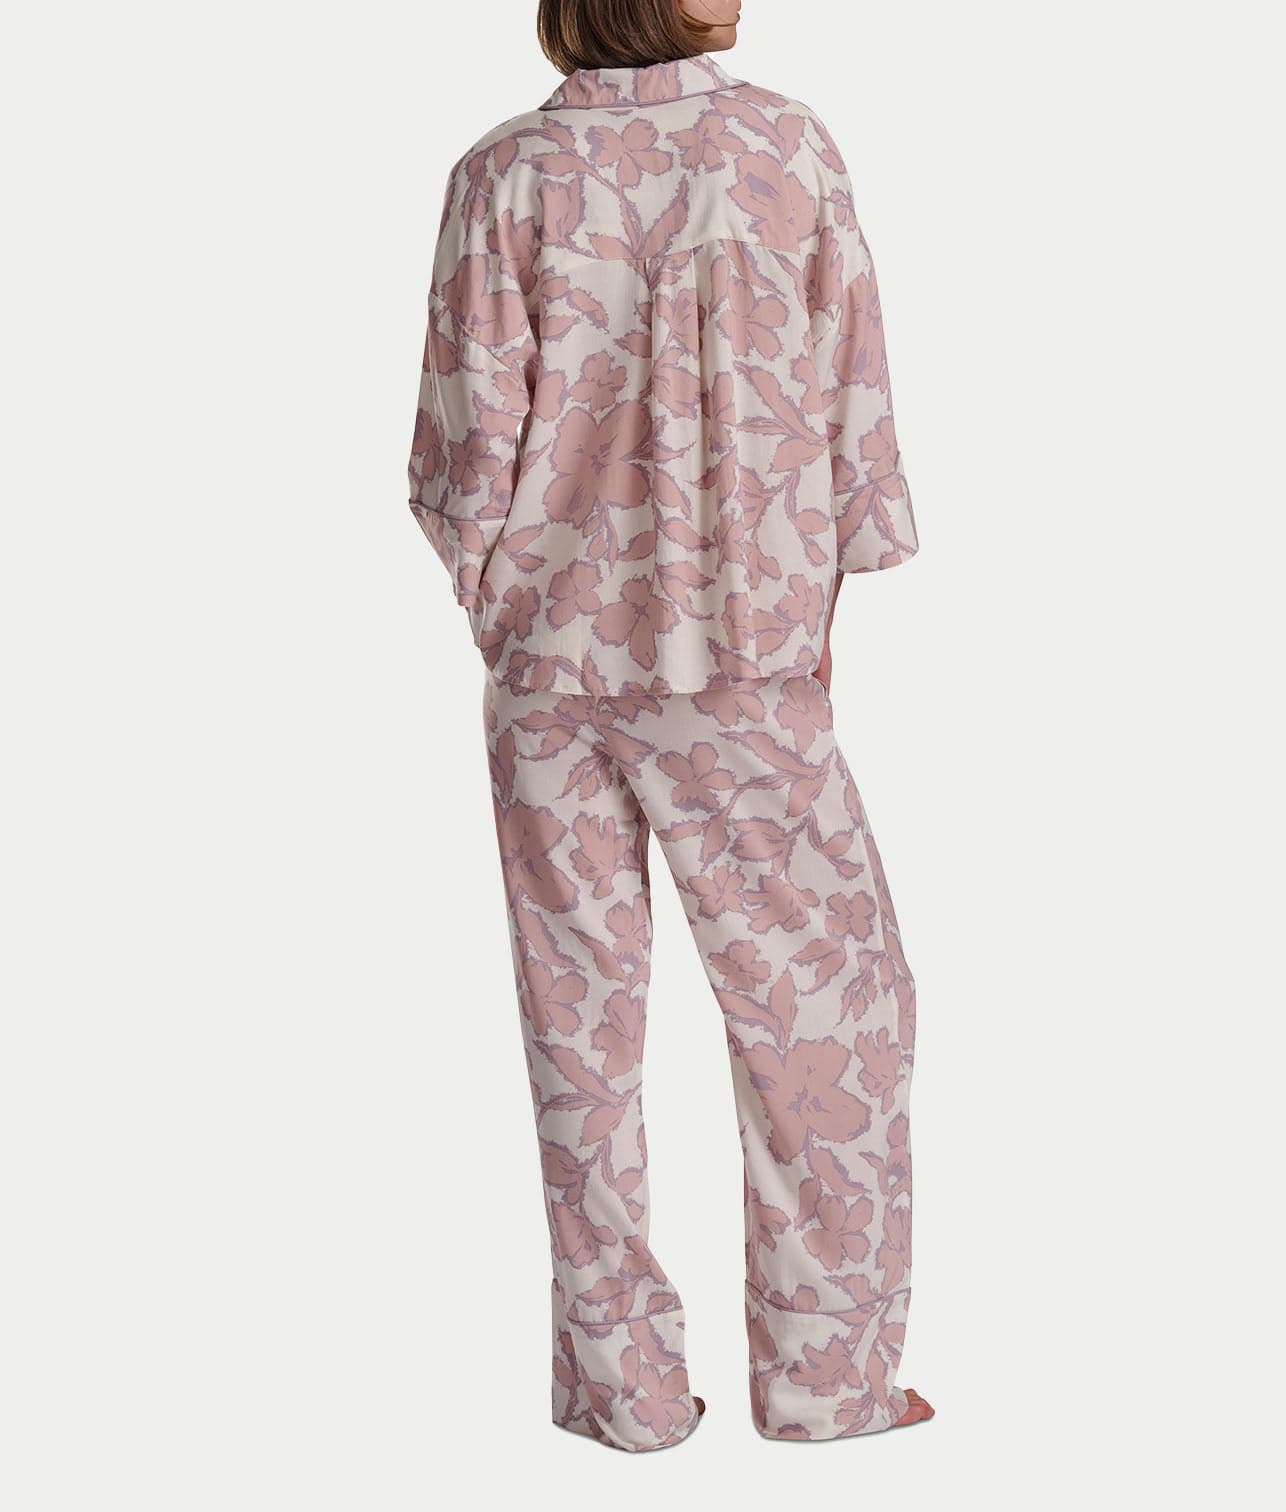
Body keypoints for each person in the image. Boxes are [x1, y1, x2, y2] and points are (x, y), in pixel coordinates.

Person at [407, 0, 932, 1451]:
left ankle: (621, 1394)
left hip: (545, 669)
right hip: (739, 662)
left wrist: (509, 603)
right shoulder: (779, 144)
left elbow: (456, 449)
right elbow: (850, 397)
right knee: (829, 1012)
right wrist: (820, 593)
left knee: (578, 1024)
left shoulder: (501, 174)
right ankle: (827, 1385)